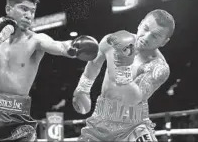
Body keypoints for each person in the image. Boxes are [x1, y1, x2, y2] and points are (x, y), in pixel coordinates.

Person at [0, 0, 98, 142]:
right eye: (24, 9)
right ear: (8, 9)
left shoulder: (36, 40)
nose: (29, 15)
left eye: (32, 11)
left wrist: (74, 48)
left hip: (17, 118)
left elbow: (60, 46)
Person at [73, 9, 175, 141]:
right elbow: (94, 64)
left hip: (133, 124)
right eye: (145, 29)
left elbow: (133, 99)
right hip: (100, 121)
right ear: (140, 24)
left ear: (164, 42)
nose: (146, 37)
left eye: (155, 36)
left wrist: (123, 66)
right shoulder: (113, 40)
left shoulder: (158, 67)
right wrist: (83, 88)